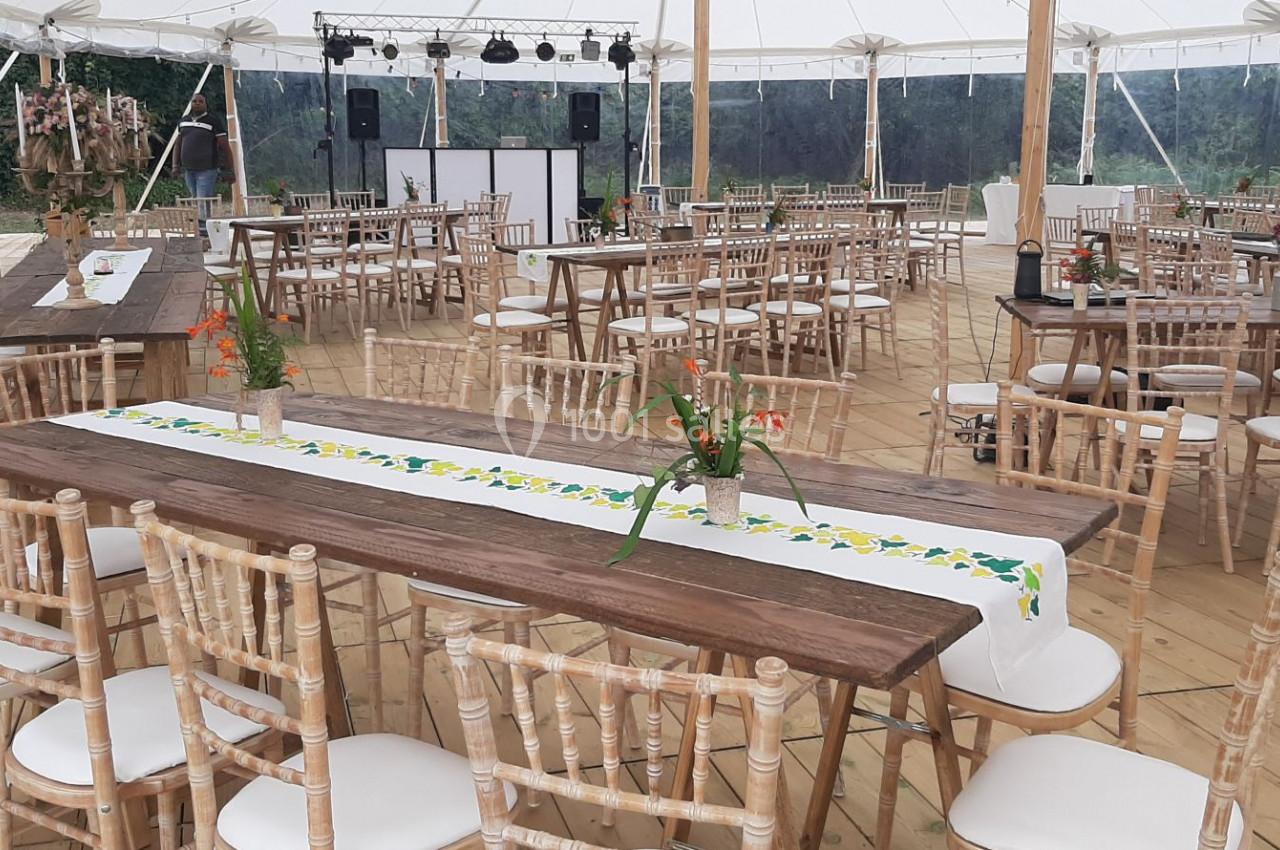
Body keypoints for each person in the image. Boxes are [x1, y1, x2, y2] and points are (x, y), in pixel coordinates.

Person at [171, 94, 234, 235]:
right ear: (190, 103)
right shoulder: (183, 121)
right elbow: (178, 144)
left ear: (206, 104)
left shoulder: (213, 121)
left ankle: (204, 231)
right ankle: (202, 228)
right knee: (195, 198)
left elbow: (224, 145)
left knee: (202, 199)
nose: (197, 103)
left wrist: (230, 169)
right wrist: (175, 165)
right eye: (194, 101)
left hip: (207, 169)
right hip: (188, 169)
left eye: (201, 101)